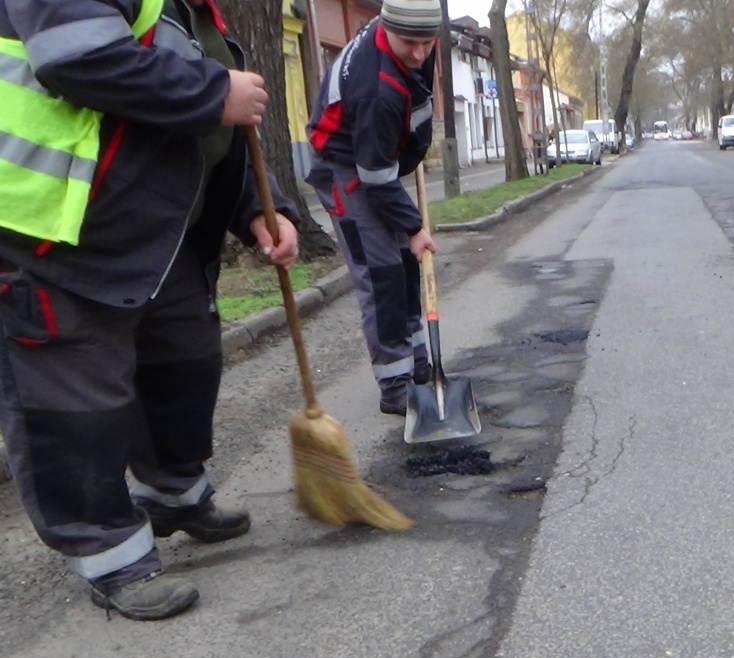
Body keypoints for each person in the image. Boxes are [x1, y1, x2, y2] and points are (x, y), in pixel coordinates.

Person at [0, 0, 302, 621]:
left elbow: (214, 130)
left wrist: (257, 208)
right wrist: (215, 92)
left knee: (184, 364)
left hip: (156, 230)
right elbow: (79, 60)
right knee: (73, 404)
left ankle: (176, 493)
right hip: (53, 234)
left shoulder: (190, 10)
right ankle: (109, 553)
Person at [305, 0, 441, 416]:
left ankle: (418, 362)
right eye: (409, 43)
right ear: (387, 27)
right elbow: (376, 179)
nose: (419, 53)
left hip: (378, 161)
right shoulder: (374, 87)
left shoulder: (414, 38)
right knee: (382, 276)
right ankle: (395, 384)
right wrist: (414, 227)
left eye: (426, 42)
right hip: (348, 171)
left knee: (404, 266)